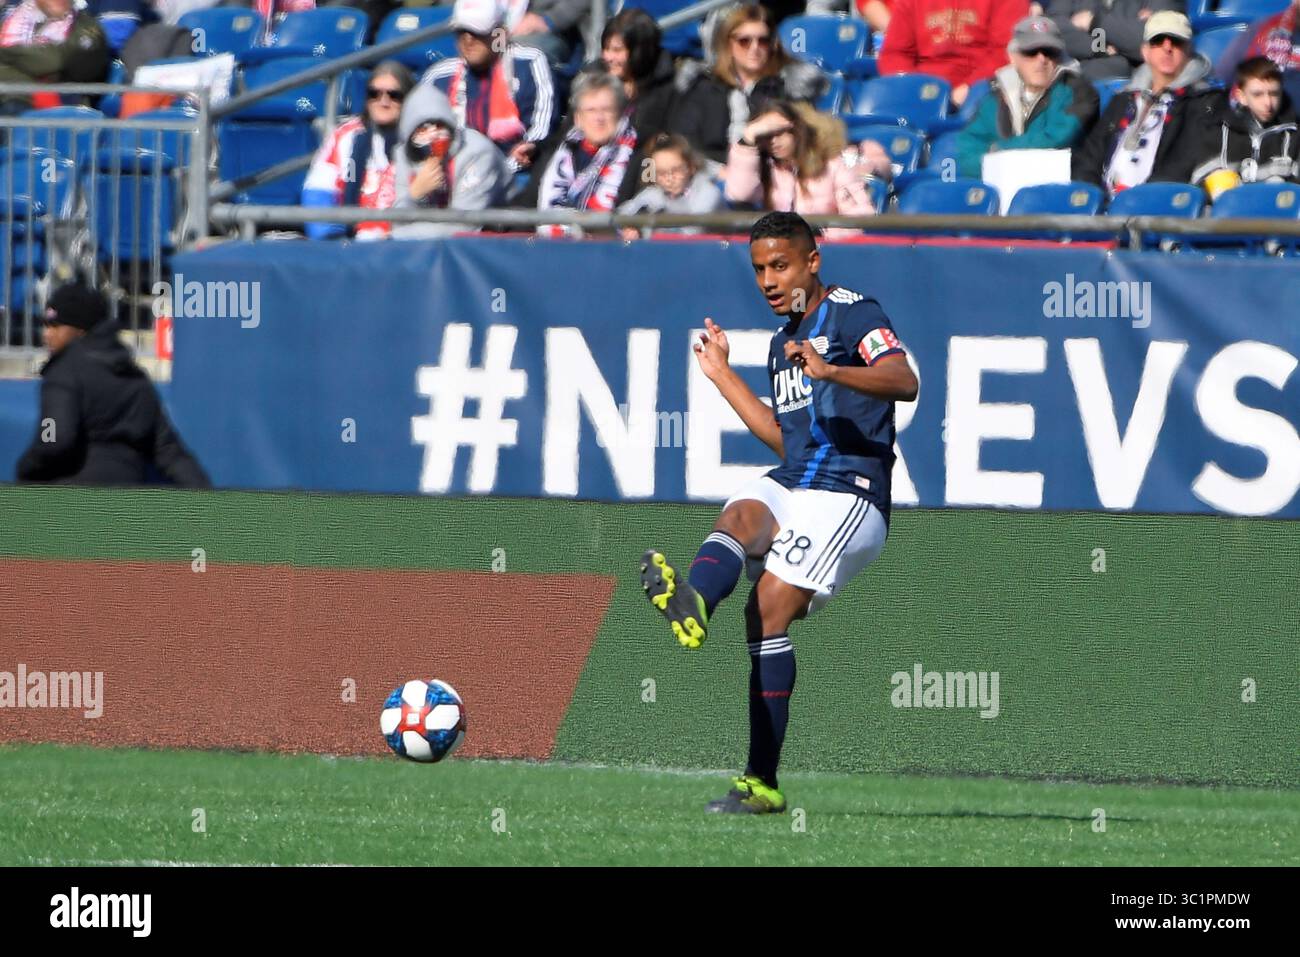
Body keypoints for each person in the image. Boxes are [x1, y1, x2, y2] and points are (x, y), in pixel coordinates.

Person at [640, 211, 917, 815]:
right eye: (759, 268)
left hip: (851, 491)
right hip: (802, 476)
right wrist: (720, 376)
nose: (768, 279)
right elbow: (787, 442)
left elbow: (904, 378)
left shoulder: (853, 312)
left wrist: (832, 368)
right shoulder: (778, 343)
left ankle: (761, 783)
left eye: (780, 265)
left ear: (812, 262)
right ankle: (693, 604)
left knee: (767, 608)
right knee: (741, 511)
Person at [16, 282, 210, 487]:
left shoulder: (64, 371)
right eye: (46, 325)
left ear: (80, 331)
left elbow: (53, 439)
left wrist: (26, 468)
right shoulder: (134, 377)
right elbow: (169, 452)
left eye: (56, 326)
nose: (47, 334)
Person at [1071, 11, 1223, 194]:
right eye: (1158, 41)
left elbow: (1184, 163)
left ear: (1188, 50)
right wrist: (1092, 194)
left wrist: (1138, 199)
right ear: (1145, 51)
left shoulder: (1205, 102)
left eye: (1176, 42)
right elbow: (1089, 157)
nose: (1167, 48)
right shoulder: (1122, 99)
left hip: (1156, 208)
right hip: (1104, 207)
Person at [668, 4, 829, 168]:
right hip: (708, 176)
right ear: (728, 43)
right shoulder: (704, 86)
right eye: (744, 41)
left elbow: (803, 144)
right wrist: (718, 171)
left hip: (769, 178)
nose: (755, 48)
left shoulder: (788, 89)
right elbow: (684, 142)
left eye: (763, 41)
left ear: (773, 44)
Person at [954, 14, 1099, 179]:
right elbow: (967, 150)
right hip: (999, 186)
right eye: (1031, 51)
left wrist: (998, 152)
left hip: (1057, 187)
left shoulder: (1080, 91)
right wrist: (995, 168)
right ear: (1013, 57)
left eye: (1049, 51)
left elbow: (1056, 139)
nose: (1041, 59)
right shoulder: (996, 94)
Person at [423, 0, 555, 178]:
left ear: (500, 33)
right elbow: (420, 131)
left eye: (478, 32)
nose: (468, 39)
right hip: (452, 178)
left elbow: (540, 129)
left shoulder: (528, 62)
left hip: (511, 176)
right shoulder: (438, 76)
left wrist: (521, 153)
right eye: (462, 32)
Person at [725, 100, 877, 238]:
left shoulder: (832, 165)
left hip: (823, 250)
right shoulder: (763, 167)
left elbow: (862, 214)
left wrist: (820, 235)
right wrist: (748, 139)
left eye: (780, 132)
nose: (773, 141)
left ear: (797, 129)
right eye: (765, 136)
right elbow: (740, 196)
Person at [302, 60, 415, 240]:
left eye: (394, 95)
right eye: (374, 94)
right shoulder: (345, 136)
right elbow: (317, 192)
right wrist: (333, 240)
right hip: (350, 245)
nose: (383, 101)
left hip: (401, 243)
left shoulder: (420, 137)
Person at [391, 82, 511, 238]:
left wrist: (403, 234)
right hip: (428, 239)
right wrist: (415, 194)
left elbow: (464, 227)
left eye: (439, 126)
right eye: (423, 128)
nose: (433, 135)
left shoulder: (478, 152)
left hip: (494, 234)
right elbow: (396, 221)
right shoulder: (403, 154)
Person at [532, 70, 640, 231]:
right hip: (555, 248)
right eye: (591, 110)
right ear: (578, 118)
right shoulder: (557, 152)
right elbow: (528, 201)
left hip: (612, 248)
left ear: (620, 114)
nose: (599, 118)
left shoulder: (640, 153)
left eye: (607, 110)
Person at [877, 0, 1029, 108]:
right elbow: (894, 53)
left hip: (979, 93)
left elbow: (1005, 52)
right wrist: (914, 90)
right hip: (920, 94)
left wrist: (968, 89)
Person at [1192, 56, 1300, 192]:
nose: (1268, 103)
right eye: (1257, 94)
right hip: (1227, 208)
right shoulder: (1219, 128)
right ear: (1241, 97)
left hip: (1277, 208)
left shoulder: (1294, 132)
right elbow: (1199, 178)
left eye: (1274, 94)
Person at [0, 0, 110, 111]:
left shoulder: (87, 28)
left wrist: (5, 55)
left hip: (65, 110)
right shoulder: (16, 20)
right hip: (15, 98)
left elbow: (51, 62)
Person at [1040, 0, 1187, 81]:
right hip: (1073, 68)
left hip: (1128, 78)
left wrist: (1094, 22)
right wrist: (1100, 47)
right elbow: (1051, 28)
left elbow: (1152, 40)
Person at [618, 132, 726, 238]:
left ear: (691, 167)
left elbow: (692, 232)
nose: (669, 178)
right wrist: (629, 228)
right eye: (661, 173)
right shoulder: (652, 195)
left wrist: (644, 232)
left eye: (675, 170)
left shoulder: (708, 193)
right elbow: (620, 215)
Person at [601, 7, 677, 147]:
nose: (608, 57)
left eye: (617, 50)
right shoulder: (594, 79)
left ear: (639, 51)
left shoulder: (667, 91)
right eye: (606, 49)